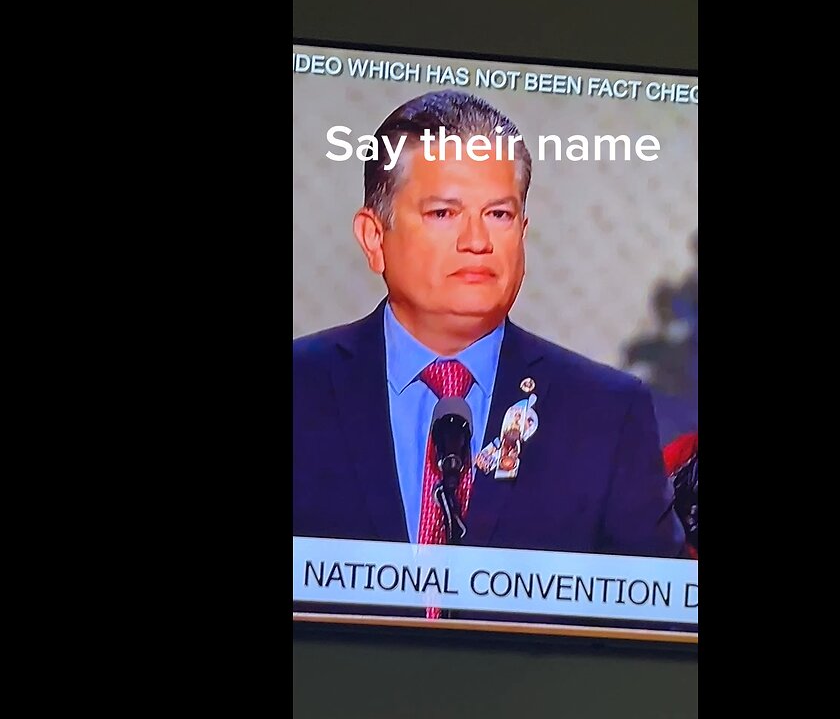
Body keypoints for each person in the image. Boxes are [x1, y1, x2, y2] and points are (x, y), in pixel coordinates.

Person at [293, 90, 685, 565]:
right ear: (374, 238)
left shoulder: (606, 415)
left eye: (498, 215)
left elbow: (658, 625)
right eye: (443, 214)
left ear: (522, 231)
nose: (477, 241)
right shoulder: (303, 389)